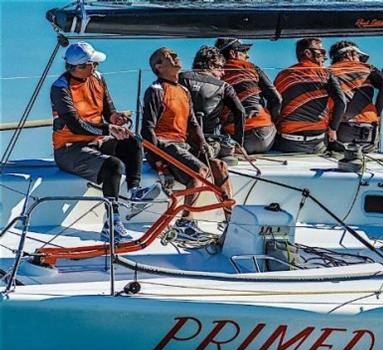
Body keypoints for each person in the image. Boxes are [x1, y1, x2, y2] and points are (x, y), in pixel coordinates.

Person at [50, 41, 160, 243]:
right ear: (79, 67)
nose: (96, 67)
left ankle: (135, 193)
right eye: (93, 64)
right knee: (113, 165)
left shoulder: (98, 78)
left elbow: (108, 111)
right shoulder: (60, 88)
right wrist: (109, 128)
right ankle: (112, 223)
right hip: (69, 149)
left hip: (97, 140)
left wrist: (116, 119)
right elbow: (75, 125)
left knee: (133, 141)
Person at [141, 47, 233, 240]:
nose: (176, 56)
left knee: (219, 166)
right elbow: (147, 129)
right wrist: (158, 163)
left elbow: (192, 124)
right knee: (198, 171)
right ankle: (186, 221)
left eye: (175, 53)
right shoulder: (155, 91)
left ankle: (231, 221)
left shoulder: (183, 90)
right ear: (158, 67)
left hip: (183, 145)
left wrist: (203, 146)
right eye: (168, 56)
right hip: (166, 145)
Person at [273, 37, 347, 154]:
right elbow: (341, 102)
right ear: (307, 53)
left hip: (288, 142)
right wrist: (333, 129)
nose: (324, 57)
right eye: (322, 52)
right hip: (318, 143)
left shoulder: (283, 75)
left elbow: (274, 103)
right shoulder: (326, 74)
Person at [178, 45, 246, 166]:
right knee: (225, 146)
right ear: (210, 65)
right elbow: (240, 112)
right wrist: (238, 144)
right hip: (207, 141)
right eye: (220, 67)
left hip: (180, 141)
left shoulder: (179, 78)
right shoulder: (224, 86)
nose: (223, 72)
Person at [215, 38, 282, 154]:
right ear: (232, 53)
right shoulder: (251, 67)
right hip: (265, 138)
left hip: (235, 142)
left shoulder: (217, 74)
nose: (248, 56)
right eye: (244, 51)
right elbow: (276, 99)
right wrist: (273, 120)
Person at [328, 41, 383, 154]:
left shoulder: (330, 71)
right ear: (349, 54)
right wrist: (377, 112)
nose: (360, 60)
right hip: (369, 132)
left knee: (337, 162)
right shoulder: (368, 68)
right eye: (358, 56)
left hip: (341, 131)